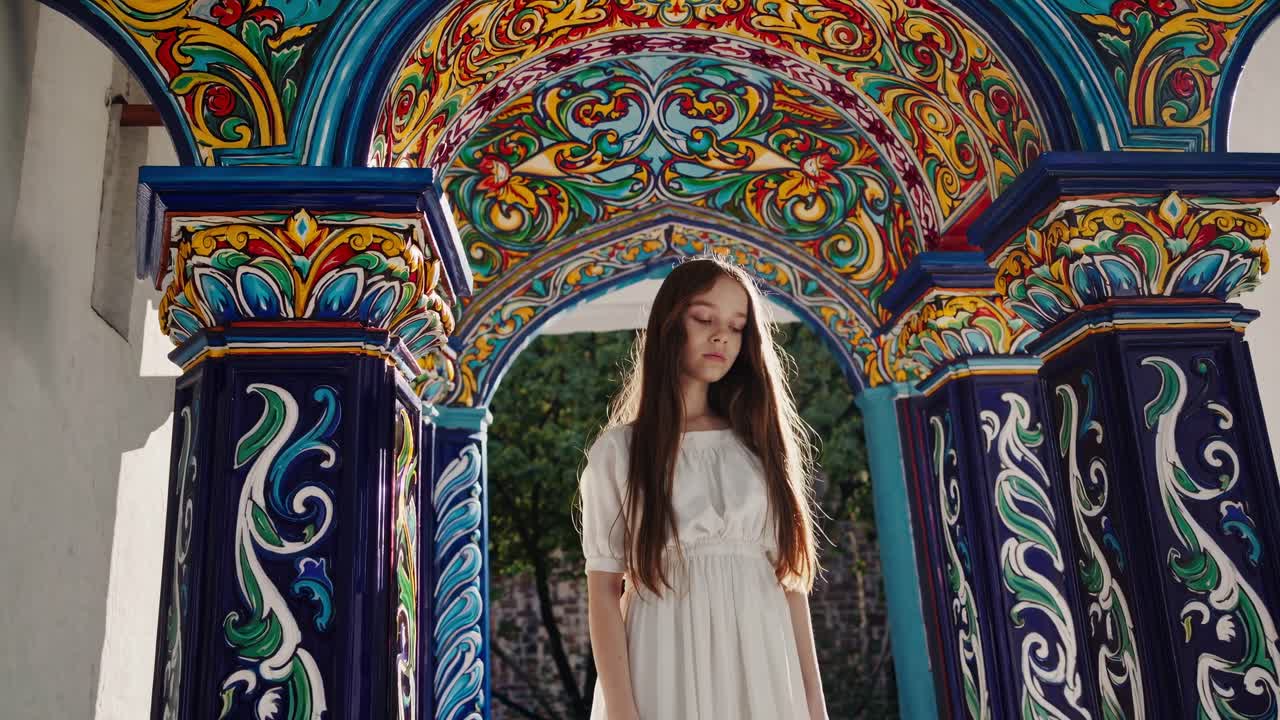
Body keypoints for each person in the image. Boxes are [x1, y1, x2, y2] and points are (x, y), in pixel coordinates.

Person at [577, 255, 829, 720]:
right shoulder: (620, 452)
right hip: (665, 659)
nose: (721, 337)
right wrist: (622, 711)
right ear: (670, 323)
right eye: (703, 318)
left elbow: (790, 584)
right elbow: (603, 591)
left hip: (763, 661)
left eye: (736, 326)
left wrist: (815, 706)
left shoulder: (760, 446)